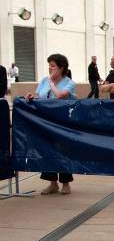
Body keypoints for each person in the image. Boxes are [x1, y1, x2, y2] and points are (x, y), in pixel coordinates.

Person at [25, 54, 76, 195]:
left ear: (61, 68)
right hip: (44, 121)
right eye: (49, 65)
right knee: (47, 150)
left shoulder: (69, 83)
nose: (50, 68)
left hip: (62, 122)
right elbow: (39, 96)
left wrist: (52, 83)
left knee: (62, 151)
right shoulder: (43, 81)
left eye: (53, 66)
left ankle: (65, 183)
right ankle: (52, 183)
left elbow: (60, 96)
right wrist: (31, 96)